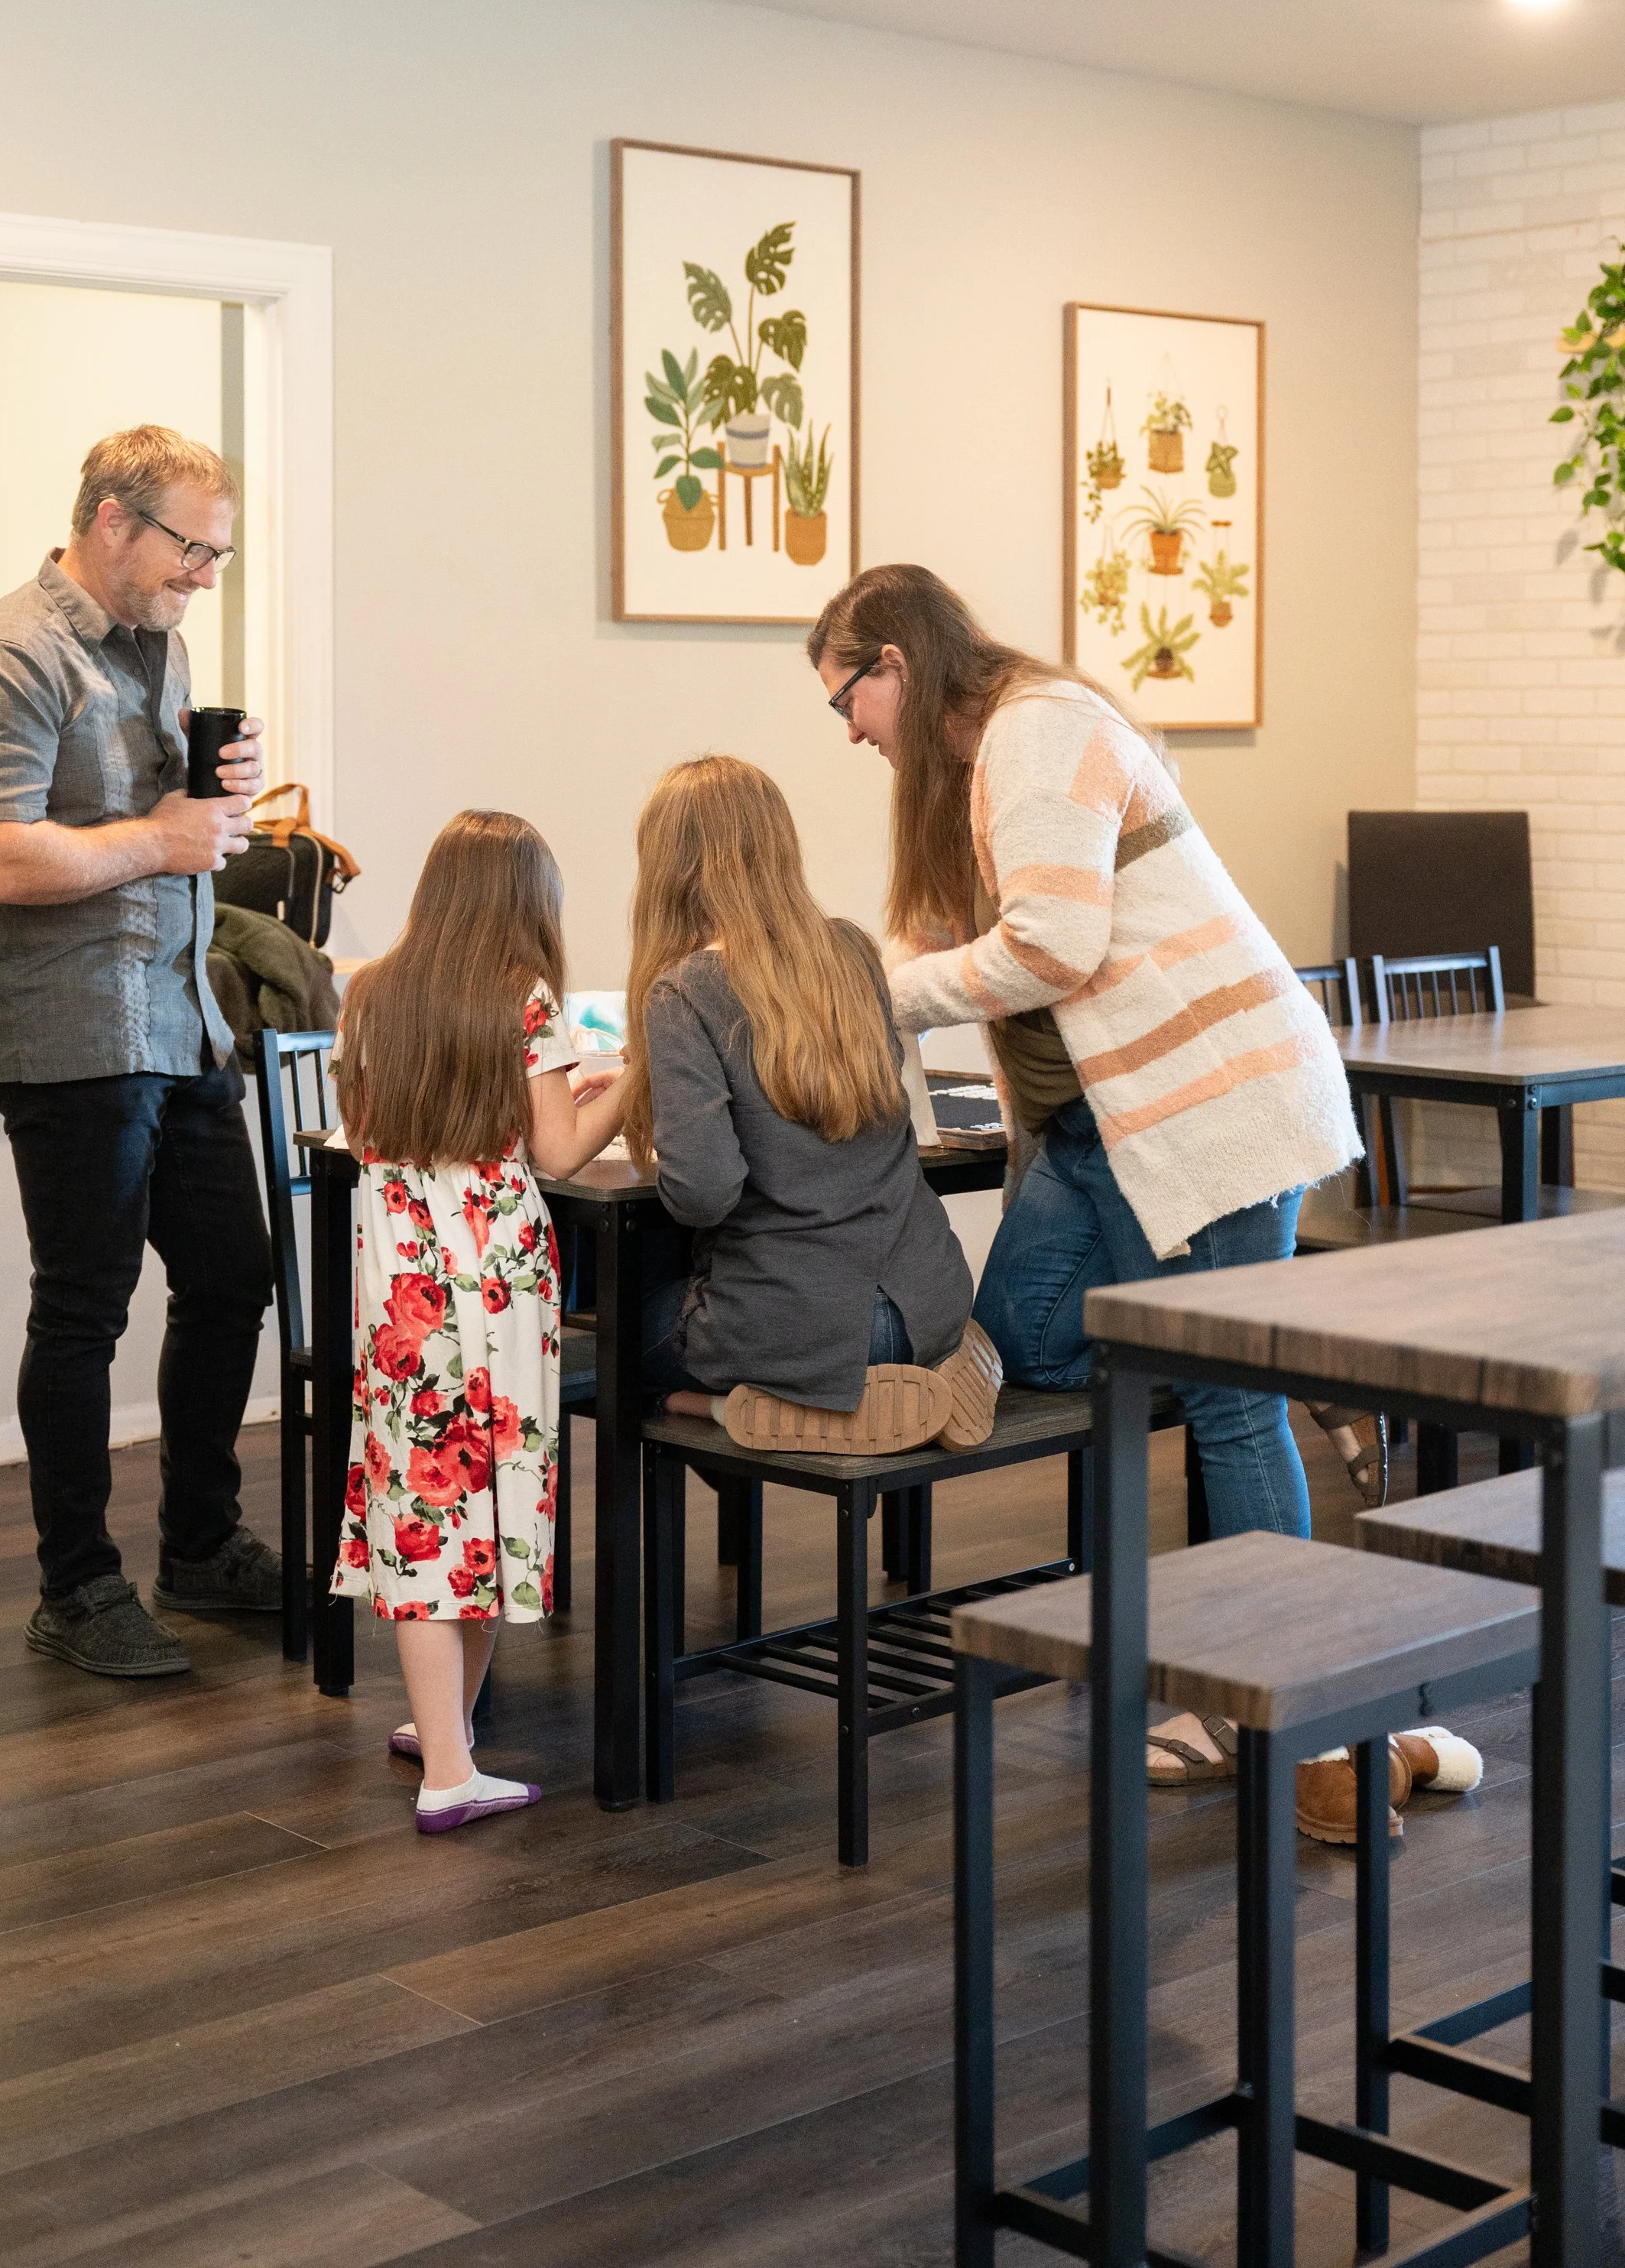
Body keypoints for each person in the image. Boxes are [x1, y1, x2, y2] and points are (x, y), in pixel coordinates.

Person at [809, 567, 1380, 1766]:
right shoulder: (967, 774)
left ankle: (1284, 1714)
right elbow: (947, 932)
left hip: (1209, 1106)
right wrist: (855, 983)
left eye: (845, 700)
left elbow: (1052, 946)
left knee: (1227, 1405)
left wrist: (885, 999)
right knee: (1019, 1340)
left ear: (894, 667)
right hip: (1101, 1131)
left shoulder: (1039, 730)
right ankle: (1287, 1357)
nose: (849, 730)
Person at [0, 424, 278, 1681]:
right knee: (83, 1308)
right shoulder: (5, 654)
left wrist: (217, 796)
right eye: (192, 547)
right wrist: (161, 837)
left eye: (219, 556)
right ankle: (75, 1586)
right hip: (69, 1029)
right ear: (112, 518)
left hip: (176, 1013)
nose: (203, 575)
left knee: (235, 1273)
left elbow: (166, 825)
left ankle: (201, 1544)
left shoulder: (165, 645)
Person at [329, 810, 627, 1833]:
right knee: (488, 1511)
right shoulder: (525, 1001)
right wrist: (621, 1090)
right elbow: (556, 1153)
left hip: (400, 1287)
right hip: (494, 1288)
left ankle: (439, 1722)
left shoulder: (369, 993)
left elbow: (366, 1132)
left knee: (419, 1506)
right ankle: (450, 1769)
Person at [622, 754, 1001, 1454]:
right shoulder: (852, 953)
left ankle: (751, 1409)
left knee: (622, 1334)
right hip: (931, 1298)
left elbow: (703, 1193)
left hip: (795, 1326)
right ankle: (936, 1367)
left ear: (670, 866)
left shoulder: (682, 992)